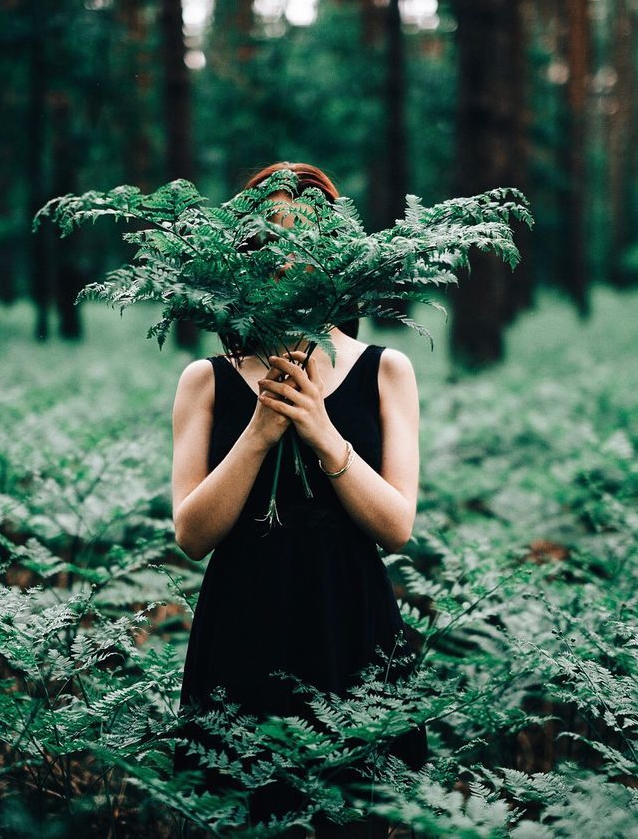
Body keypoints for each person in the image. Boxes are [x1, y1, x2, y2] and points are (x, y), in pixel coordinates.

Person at [169, 162, 429, 836]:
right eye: (273, 236)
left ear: (338, 255)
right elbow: (192, 535)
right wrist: (258, 434)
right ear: (247, 252)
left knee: (355, 814)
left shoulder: (386, 370)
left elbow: (396, 527)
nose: (290, 255)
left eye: (309, 237)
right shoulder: (206, 380)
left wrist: (318, 429)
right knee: (245, 810)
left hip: (350, 618)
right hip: (243, 619)